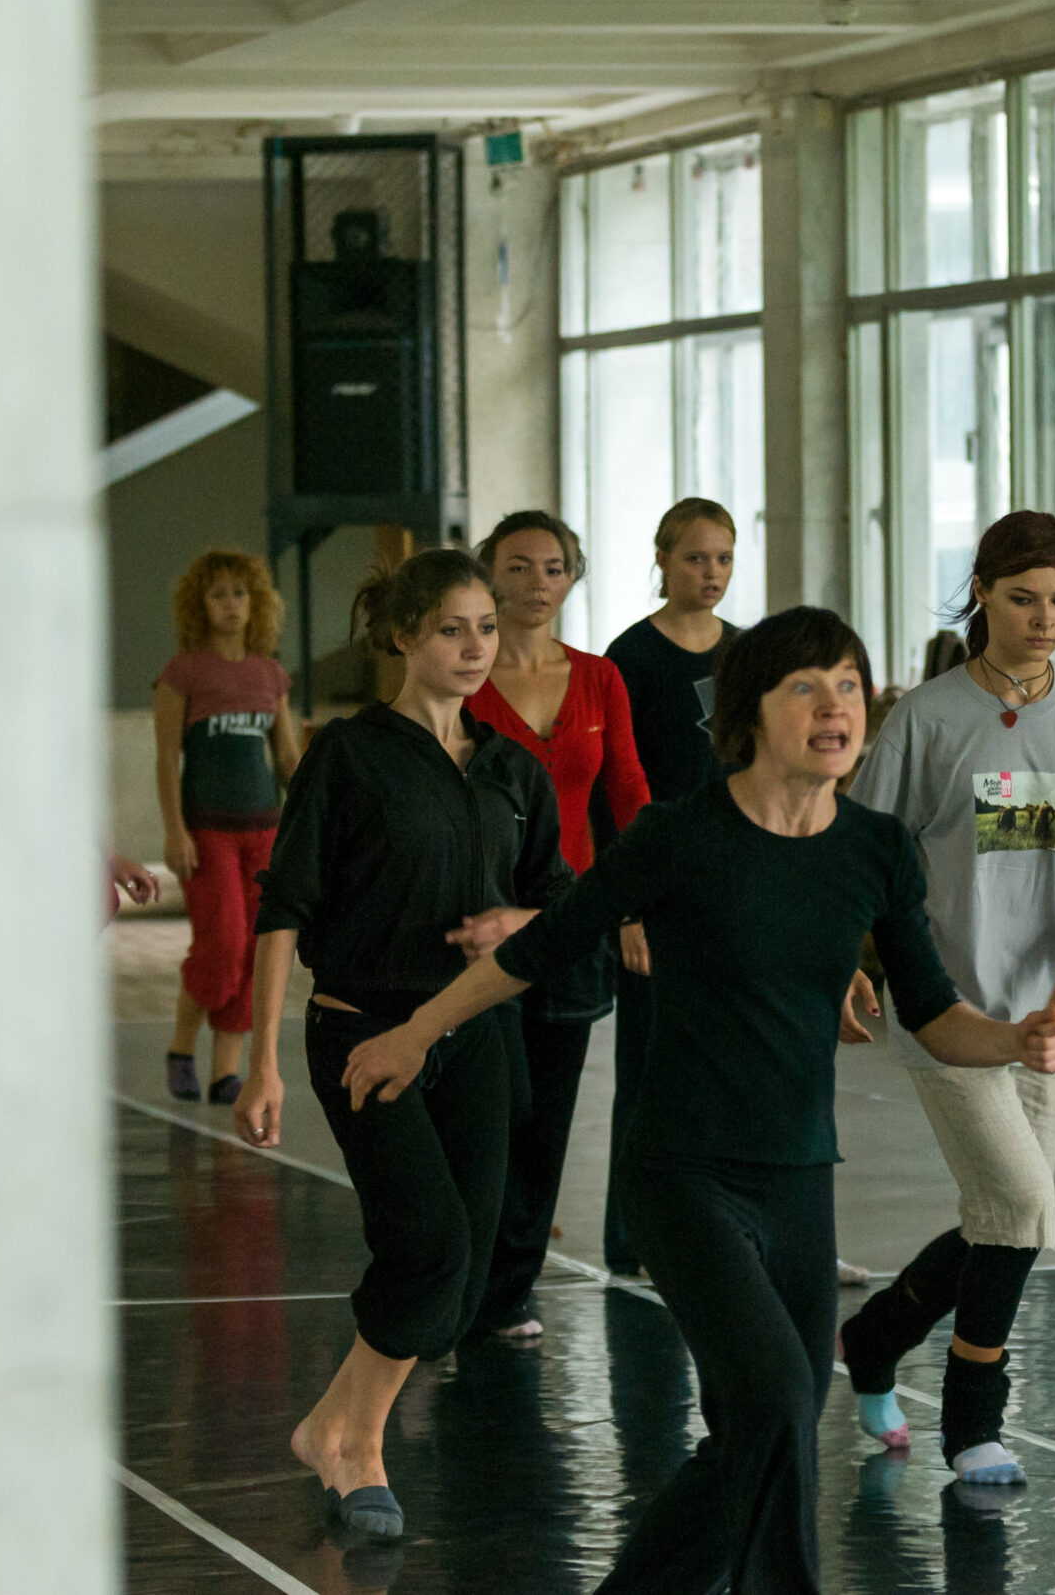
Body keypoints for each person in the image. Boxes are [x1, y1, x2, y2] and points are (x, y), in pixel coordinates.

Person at [338, 606, 1055, 1593]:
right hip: (682, 1174)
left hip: (797, 1179)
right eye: (806, 687)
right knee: (777, 1394)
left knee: (751, 1434)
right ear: (751, 713)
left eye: (850, 685)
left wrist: (1018, 1039)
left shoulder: (875, 850)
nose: (836, 706)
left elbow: (935, 1014)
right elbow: (540, 946)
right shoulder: (679, 834)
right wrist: (414, 1028)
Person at [229, 549, 571, 1541]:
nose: (476, 648)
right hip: (364, 1028)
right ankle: (357, 1441)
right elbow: (284, 905)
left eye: (486, 629)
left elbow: (556, 903)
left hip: (478, 1029)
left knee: (462, 1283)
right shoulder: (349, 753)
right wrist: (260, 1061)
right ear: (403, 638)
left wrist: (515, 921)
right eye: (453, 629)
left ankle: (336, 1423)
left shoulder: (513, 768)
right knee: (427, 1243)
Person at [836, 511, 1055, 1484]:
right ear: (980, 591)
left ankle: (875, 1337)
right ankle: (973, 1421)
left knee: (1001, 1212)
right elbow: (862, 855)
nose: (1044, 618)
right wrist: (857, 959)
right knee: (1017, 1204)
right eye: (1022, 598)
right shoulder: (926, 716)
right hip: (948, 1002)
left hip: (1046, 1005)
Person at [465, 510, 652, 1341]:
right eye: (517, 567)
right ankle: (460, 1277)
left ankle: (509, 1290)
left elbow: (629, 798)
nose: (535, 584)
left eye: (552, 569)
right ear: (488, 575)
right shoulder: (464, 674)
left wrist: (636, 906)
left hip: (573, 925)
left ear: (572, 580)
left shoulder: (599, 678)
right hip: (474, 924)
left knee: (546, 1116)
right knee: (482, 1109)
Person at [600, 496, 742, 1278]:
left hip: (734, 888)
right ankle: (635, 1236)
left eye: (722, 557)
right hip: (660, 892)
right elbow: (616, 793)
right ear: (661, 560)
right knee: (652, 1070)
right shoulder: (630, 659)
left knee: (729, 1066)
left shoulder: (749, 654)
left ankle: (723, 1225)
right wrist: (627, 908)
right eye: (695, 558)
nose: (711, 572)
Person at [154, 549, 300, 1104]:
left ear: (256, 602)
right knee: (223, 947)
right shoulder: (183, 672)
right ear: (201, 604)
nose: (231, 604)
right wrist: (175, 832)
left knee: (257, 950)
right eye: (219, 594)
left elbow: (286, 758)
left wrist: (315, 822)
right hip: (207, 832)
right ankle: (180, 1048)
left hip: (263, 832)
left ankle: (225, 1073)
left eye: (240, 593)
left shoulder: (270, 674)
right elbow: (167, 756)